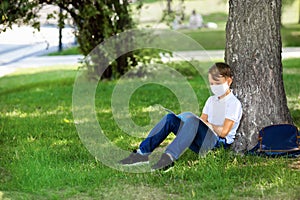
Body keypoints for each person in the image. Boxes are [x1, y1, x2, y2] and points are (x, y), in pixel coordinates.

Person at [119, 62, 243, 171]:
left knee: (193, 122)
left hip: (217, 144)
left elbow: (224, 132)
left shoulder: (233, 103)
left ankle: (168, 158)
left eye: (217, 83)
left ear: (229, 81)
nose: (214, 86)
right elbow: (202, 121)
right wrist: (190, 120)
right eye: (211, 83)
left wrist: (207, 124)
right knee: (170, 119)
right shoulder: (211, 100)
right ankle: (142, 153)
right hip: (202, 139)